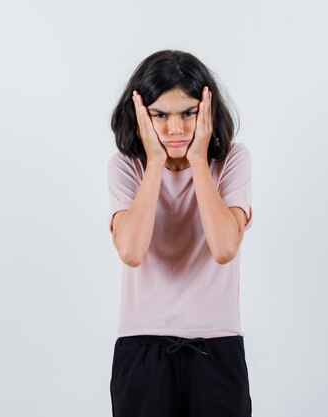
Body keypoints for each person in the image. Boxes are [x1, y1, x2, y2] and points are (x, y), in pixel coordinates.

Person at [107, 49, 253, 417]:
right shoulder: (127, 168)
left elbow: (223, 247)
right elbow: (131, 251)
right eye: (160, 114)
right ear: (141, 114)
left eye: (188, 113)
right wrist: (155, 162)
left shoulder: (231, 161)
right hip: (141, 350)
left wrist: (198, 162)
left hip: (217, 347)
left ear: (207, 109)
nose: (176, 129)